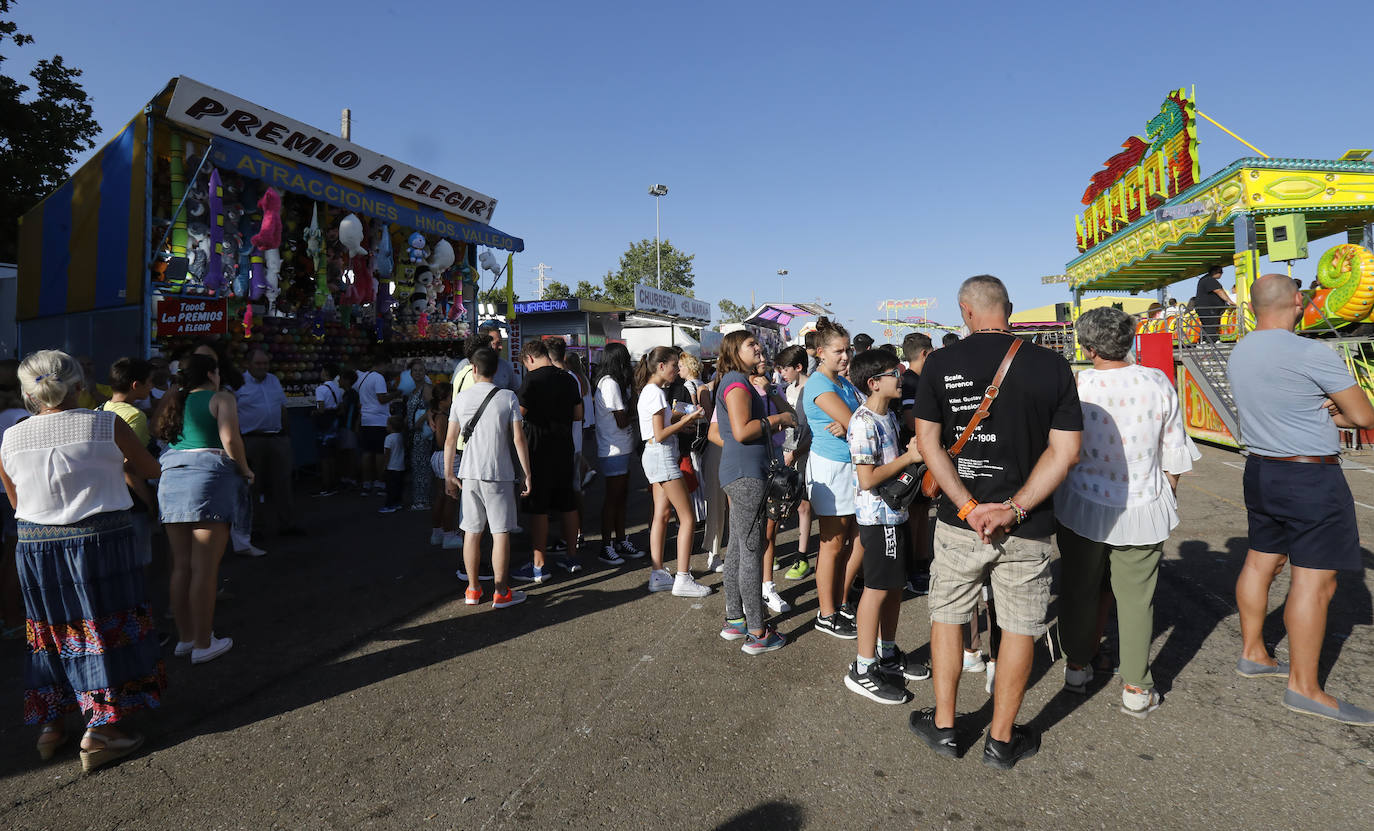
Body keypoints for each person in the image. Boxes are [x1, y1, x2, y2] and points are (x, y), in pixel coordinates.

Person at [911, 274, 1082, 770]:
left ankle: (946, 726)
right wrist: (1013, 509)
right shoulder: (1050, 364)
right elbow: (1065, 451)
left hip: (960, 523)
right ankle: (1002, 740)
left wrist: (966, 505)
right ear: (1009, 308)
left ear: (966, 311)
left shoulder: (941, 363)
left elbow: (929, 444)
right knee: (1021, 626)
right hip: (1025, 526)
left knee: (947, 615)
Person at [0, 351, 163, 772]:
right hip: (98, 540)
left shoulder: (12, 436)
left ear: (29, 392)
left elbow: (17, 500)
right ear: (78, 386)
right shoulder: (105, 424)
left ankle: (52, 726)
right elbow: (149, 468)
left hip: (35, 545)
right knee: (102, 628)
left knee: (52, 632)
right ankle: (102, 730)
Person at [1227, 274, 1374, 724]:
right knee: (1316, 581)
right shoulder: (1312, 353)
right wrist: (1333, 408)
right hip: (1309, 475)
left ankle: (1254, 651)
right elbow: (1364, 415)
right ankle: (1305, 688)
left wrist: (1322, 406)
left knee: (1262, 560)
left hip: (1262, 469)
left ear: (1253, 307)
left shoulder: (1242, 350)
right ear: (1296, 301)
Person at [1055, 307, 1200, 718]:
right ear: (1130, 338)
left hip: (1082, 504)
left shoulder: (1078, 385)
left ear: (1086, 346)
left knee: (1080, 591)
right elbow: (1174, 452)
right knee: (1137, 601)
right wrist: (1168, 492)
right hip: (1141, 506)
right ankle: (1136, 687)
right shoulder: (1156, 381)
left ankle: (1077, 668)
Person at [155, 353, 254, 666]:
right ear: (213, 373)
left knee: (181, 566)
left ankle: (186, 638)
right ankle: (203, 642)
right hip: (207, 478)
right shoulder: (222, 397)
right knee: (205, 569)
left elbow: (159, 434)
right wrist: (246, 469)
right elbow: (230, 438)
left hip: (171, 478)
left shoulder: (175, 399)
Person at [844, 348, 930, 703]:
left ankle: (888, 652)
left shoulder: (888, 417)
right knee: (877, 589)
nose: (901, 376)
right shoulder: (863, 423)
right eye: (894, 373)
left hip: (895, 514)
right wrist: (910, 457)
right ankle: (863, 668)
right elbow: (866, 479)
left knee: (893, 586)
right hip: (877, 518)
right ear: (874, 383)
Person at [713, 332, 790, 651]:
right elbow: (743, 431)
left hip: (743, 473)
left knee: (740, 549)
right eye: (750, 345)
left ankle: (736, 621)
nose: (758, 348)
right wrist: (779, 419)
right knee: (750, 550)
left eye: (758, 344)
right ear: (734, 351)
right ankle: (757, 632)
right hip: (746, 476)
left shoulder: (738, 381)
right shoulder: (735, 382)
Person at [445, 347, 532, 609]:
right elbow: (518, 439)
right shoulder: (507, 397)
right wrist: (527, 473)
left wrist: (448, 475)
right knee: (500, 532)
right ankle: (501, 591)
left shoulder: (460, 399)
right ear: (497, 370)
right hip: (499, 473)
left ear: (473, 369)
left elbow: (450, 440)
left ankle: (472, 590)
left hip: (468, 473)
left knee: (471, 532)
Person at [802, 316, 864, 639]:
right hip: (830, 468)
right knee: (832, 543)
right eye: (838, 351)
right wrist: (852, 423)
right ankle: (827, 613)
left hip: (851, 466)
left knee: (855, 539)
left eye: (847, 350)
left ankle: (839, 600)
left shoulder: (843, 382)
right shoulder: (818, 384)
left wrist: (853, 423)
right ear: (821, 352)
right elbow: (860, 421)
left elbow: (862, 419)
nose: (845, 356)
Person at [636, 346, 711, 597]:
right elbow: (659, 435)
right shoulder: (655, 392)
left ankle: (658, 573)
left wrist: (679, 422)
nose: (676, 371)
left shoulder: (650, 391)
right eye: (673, 366)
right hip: (663, 457)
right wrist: (686, 421)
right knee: (687, 517)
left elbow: (657, 431)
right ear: (660, 367)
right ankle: (683, 577)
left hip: (655, 456)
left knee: (661, 514)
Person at [513, 340, 583, 581]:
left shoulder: (531, 381)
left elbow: (518, 414)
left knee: (538, 507)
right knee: (568, 502)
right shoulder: (567, 378)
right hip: (564, 447)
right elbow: (578, 414)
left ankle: (538, 565)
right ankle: (572, 557)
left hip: (538, 449)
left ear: (530, 359)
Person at [98, 358, 159, 575]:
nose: (152, 387)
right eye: (150, 382)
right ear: (136, 385)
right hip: (131, 499)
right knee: (138, 564)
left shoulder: (100, 409)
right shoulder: (135, 416)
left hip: (105, 497)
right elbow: (129, 466)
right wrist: (148, 500)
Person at [592, 342, 643, 565]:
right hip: (613, 449)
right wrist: (633, 407)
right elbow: (622, 421)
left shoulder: (617, 384)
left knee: (621, 498)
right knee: (613, 499)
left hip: (621, 447)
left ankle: (621, 540)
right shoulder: (609, 384)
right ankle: (606, 545)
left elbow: (627, 414)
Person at [238, 349, 299, 536]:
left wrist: (286, 435)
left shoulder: (273, 380)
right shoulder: (238, 384)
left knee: (283, 483)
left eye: (265, 363)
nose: (262, 367)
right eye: (258, 363)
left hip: (277, 438)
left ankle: (286, 524)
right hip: (252, 439)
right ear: (248, 364)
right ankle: (254, 527)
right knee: (252, 486)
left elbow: (282, 407)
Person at [750, 364, 793, 614]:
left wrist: (771, 391)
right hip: (750, 460)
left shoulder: (774, 387)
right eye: (754, 349)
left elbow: (791, 417)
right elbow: (720, 431)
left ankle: (767, 585)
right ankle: (748, 588)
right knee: (748, 529)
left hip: (774, 456)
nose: (762, 356)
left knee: (771, 524)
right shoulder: (737, 387)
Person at [899, 332, 935, 594]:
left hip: (921, 456)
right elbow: (912, 421)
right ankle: (913, 568)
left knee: (922, 512)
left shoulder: (916, 380)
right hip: (913, 457)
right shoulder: (910, 382)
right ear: (924, 353)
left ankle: (921, 563)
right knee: (915, 515)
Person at [356, 355, 401, 497]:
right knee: (380, 454)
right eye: (388, 367)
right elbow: (382, 399)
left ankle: (366, 484)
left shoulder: (363, 377)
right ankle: (380, 482)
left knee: (367, 453)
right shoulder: (378, 378)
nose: (388, 370)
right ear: (382, 364)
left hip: (366, 420)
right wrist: (395, 394)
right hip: (379, 420)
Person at [452, 321, 518, 391]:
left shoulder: (505, 367)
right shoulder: (464, 365)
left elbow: (515, 391)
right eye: (497, 343)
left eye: (501, 343)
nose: (501, 347)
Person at [403, 359, 434, 511]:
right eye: (415, 370)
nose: (418, 373)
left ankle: (423, 500)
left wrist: (421, 420)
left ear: (425, 372)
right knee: (417, 467)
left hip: (422, 434)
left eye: (421, 370)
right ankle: (419, 499)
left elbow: (434, 407)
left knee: (422, 467)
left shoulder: (426, 389)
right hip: (414, 434)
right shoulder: (413, 390)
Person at [314, 364, 343, 496]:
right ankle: (334, 483)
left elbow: (320, 409)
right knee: (333, 455)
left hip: (324, 423)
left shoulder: (321, 389)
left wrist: (313, 413)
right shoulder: (337, 388)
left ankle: (326, 486)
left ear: (325, 372)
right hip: (334, 422)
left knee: (324, 456)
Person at [1192, 265, 1234, 340]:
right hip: (1208, 308)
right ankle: (1213, 341)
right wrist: (1229, 301)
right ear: (1218, 273)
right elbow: (1219, 291)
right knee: (1211, 323)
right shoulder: (1209, 280)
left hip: (1203, 307)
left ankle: (1203, 341)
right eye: (1221, 273)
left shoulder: (1204, 279)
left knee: (1206, 324)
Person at [379, 415, 406, 514]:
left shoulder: (389, 438)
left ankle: (389, 505)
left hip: (391, 467)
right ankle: (398, 502)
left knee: (390, 488)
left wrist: (384, 467)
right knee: (398, 487)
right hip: (400, 466)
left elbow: (387, 454)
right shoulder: (400, 436)